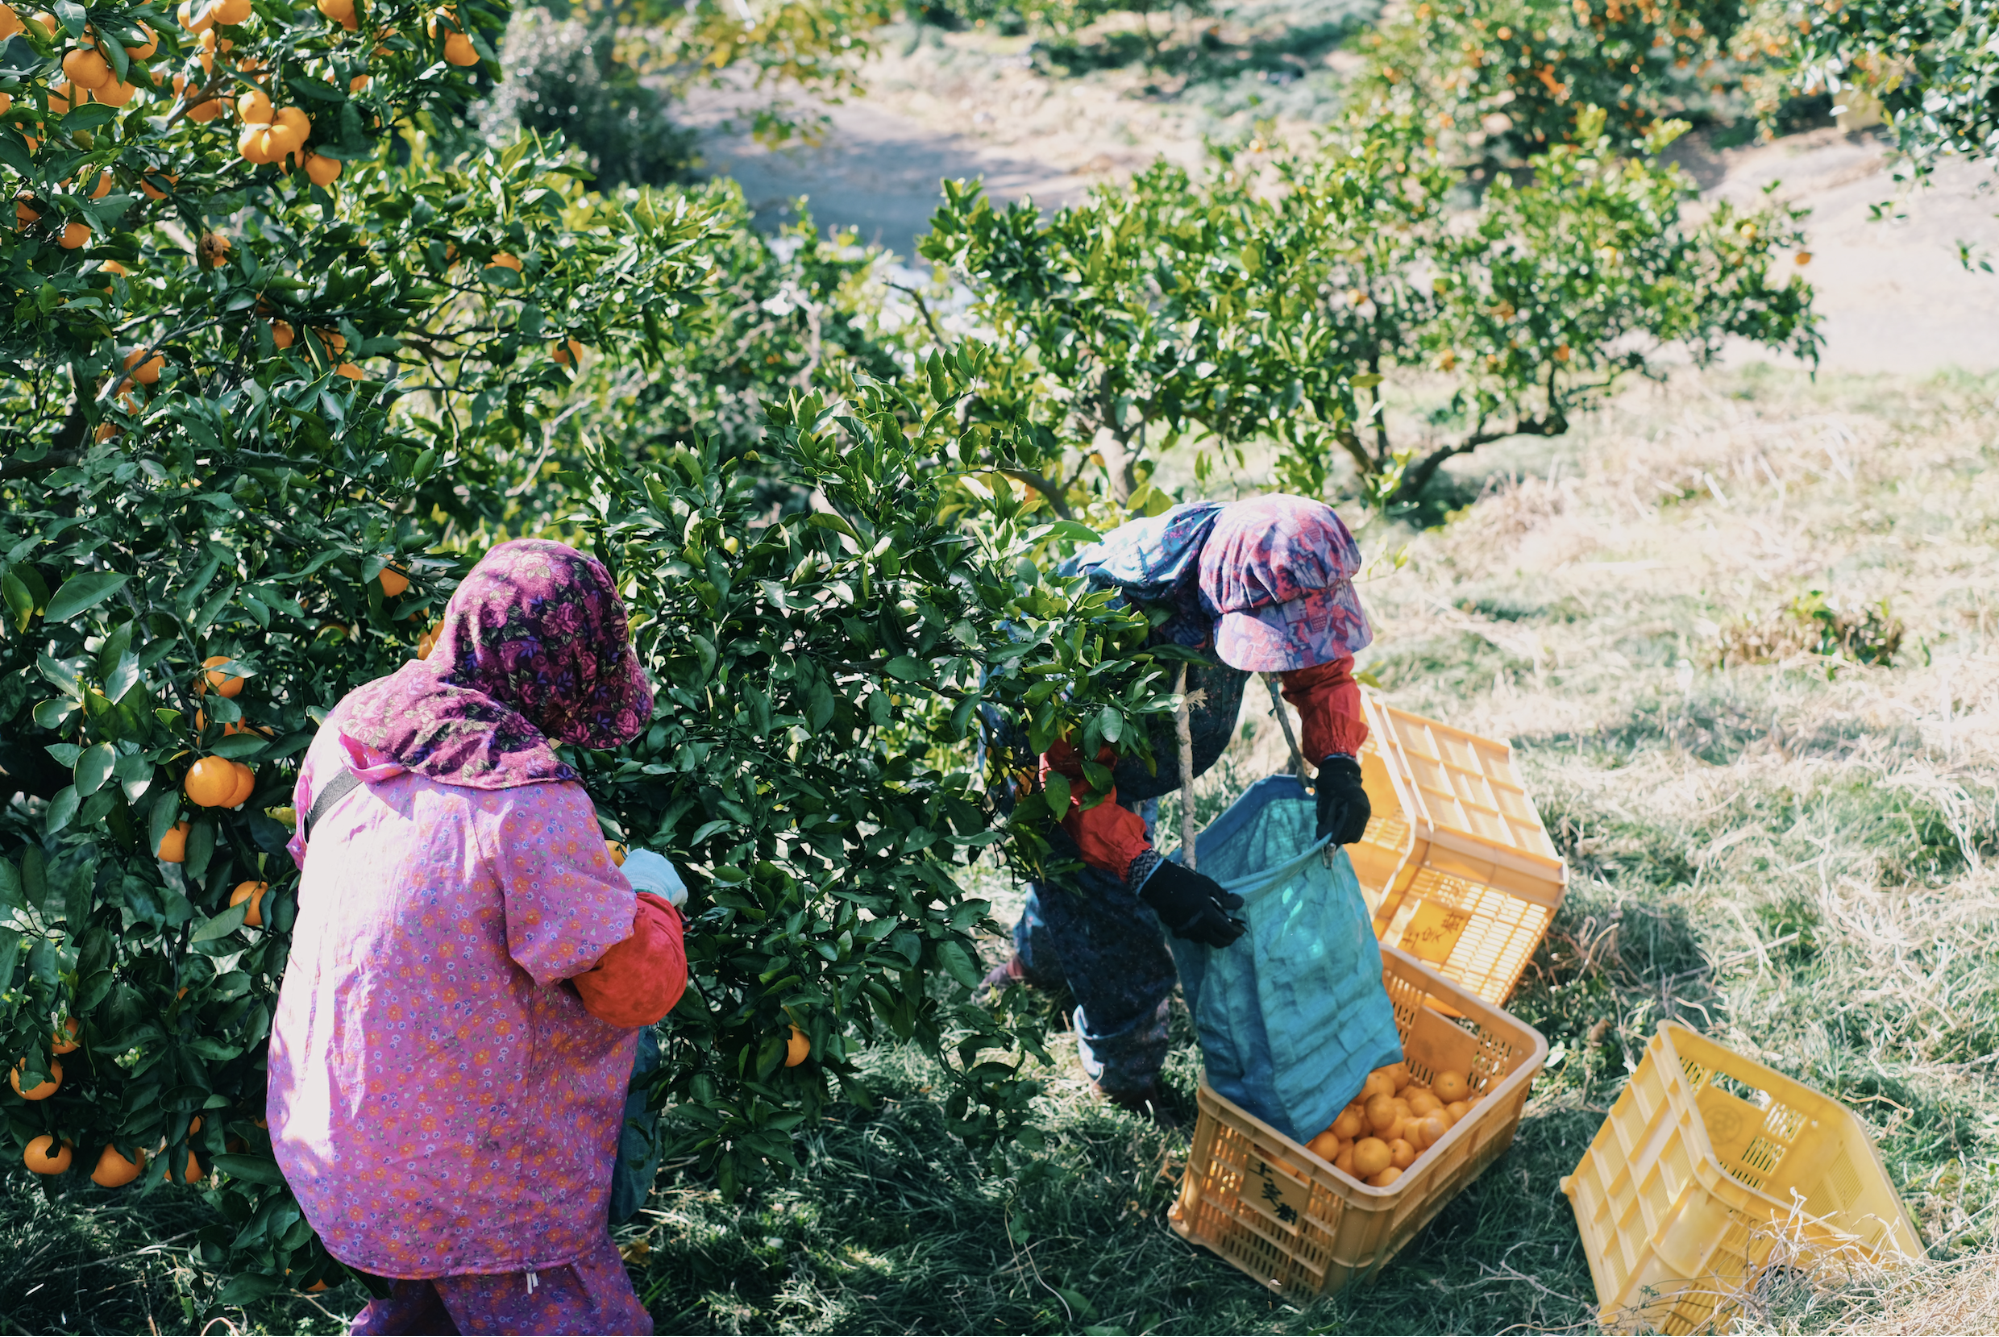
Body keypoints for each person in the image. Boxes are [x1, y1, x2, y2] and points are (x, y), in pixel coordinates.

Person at [269, 539, 687, 1337]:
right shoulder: (526, 804)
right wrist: (650, 893)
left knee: (423, 1299)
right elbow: (633, 985)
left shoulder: (350, 734)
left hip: (333, 1132)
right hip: (476, 1181)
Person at [982, 495, 1376, 1115]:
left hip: (1131, 750)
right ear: (1214, 601)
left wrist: (1337, 762)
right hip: (1048, 753)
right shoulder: (1105, 621)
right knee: (1116, 925)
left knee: (1083, 884)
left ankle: (1035, 965)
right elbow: (1070, 780)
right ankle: (1125, 1079)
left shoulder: (1273, 570)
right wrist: (1150, 874)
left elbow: (1319, 665)